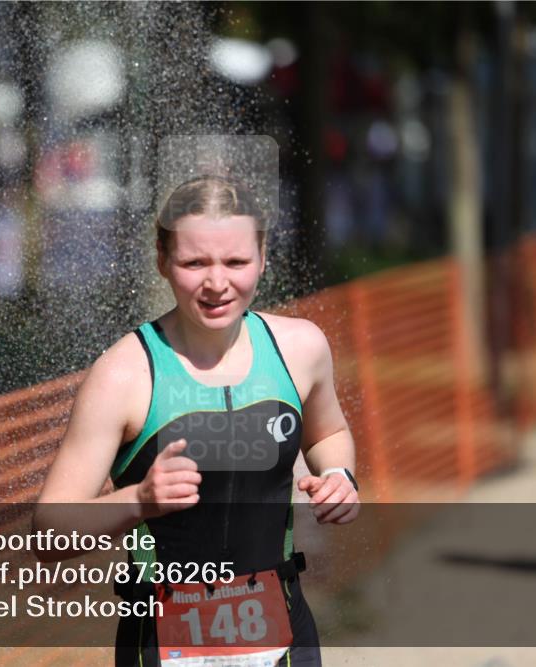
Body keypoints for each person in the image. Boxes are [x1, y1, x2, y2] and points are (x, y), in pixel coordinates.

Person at [34, 174, 360, 665]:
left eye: (236, 261)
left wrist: (338, 475)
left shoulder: (301, 348)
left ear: (263, 257)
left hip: (285, 636)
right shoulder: (123, 375)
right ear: (162, 261)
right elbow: (48, 534)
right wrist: (138, 499)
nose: (216, 282)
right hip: (163, 646)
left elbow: (329, 432)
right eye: (194, 262)